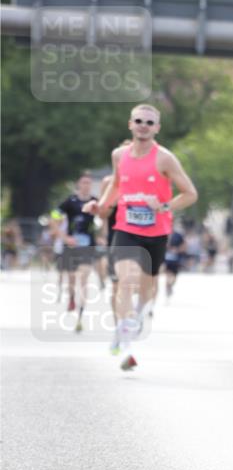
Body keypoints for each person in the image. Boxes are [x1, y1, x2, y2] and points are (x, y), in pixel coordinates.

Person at [84, 103, 198, 371]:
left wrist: (164, 206)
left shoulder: (165, 159)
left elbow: (190, 194)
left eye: (149, 123)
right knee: (125, 281)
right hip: (126, 228)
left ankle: (136, 316)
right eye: (139, 121)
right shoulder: (119, 155)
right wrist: (101, 205)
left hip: (156, 232)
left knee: (146, 291)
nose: (143, 126)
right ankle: (125, 340)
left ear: (157, 128)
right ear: (130, 125)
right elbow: (116, 184)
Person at [58, 172, 98, 332]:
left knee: (84, 278)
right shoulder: (70, 201)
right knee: (72, 278)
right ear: (79, 184)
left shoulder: (95, 201)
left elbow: (103, 218)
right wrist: (64, 237)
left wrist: (102, 236)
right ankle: (71, 298)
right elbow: (54, 215)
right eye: (84, 182)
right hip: (71, 245)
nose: (86, 185)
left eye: (89, 183)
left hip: (88, 245)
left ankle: (81, 314)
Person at [163, 227, 186, 299]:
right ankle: (168, 288)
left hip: (176, 259)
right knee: (168, 274)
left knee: (174, 277)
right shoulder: (163, 234)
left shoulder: (178, 235)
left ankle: (169, 286)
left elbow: (184, 245)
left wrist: (177, 250)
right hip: (166, 259)